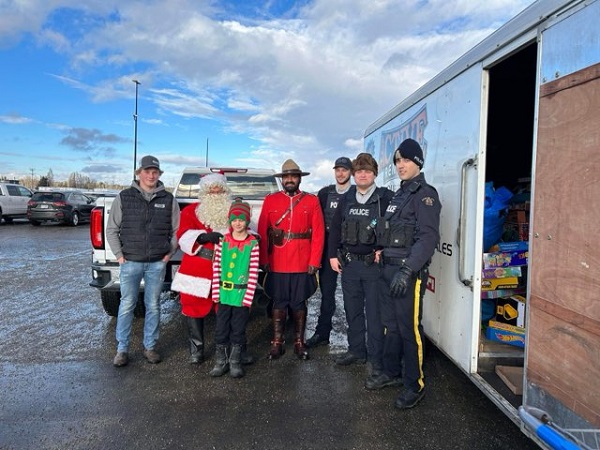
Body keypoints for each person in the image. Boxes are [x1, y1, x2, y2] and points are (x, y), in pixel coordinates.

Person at [376, 138, 441, 409]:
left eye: (406, 160)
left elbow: (427, 238)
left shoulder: (425, 195)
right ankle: (392, 373)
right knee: (389, 325)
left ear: (418, 162)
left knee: (409, 329)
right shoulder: (399, 195)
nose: (400, 165)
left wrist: (408, 270)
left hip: (407, 273)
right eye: (397, 161)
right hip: (388, 269)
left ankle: (415, 384)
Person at [107, 155, 180, 367]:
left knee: (153, 306)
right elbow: (111, 229)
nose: (151, 175)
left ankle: (150, 347)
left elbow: (176, 231)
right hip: (130, 262)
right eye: (147, 171)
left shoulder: (168, 199)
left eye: (155, 172)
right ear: (139, 173)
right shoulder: (124, 197)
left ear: (159, 174)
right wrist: (119, 255)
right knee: (127, 304)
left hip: (157, 263)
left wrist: (169, 254)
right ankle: (122, 350)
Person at [328, 153, 394, 378]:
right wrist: (332, 255)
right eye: (359, 171)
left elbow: (396, 229)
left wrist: (385, 250)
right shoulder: (347, 199)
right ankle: (357, 350)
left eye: (367, 170)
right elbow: (336, 228)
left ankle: (376, 358)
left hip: (374, 268)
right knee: (352, 310)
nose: (362, 174)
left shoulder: (385, 198)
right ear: (354, 174)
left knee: (375, 315)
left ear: (374, 173)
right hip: (349, 265)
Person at [258, 159, 325, 360]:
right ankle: (277, 342)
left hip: (301, 260)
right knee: (278, 301)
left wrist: (315, 260)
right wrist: (264, 258)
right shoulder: (271, 200)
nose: (289, 180)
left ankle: (299, 342)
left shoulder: (311, 201)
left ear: (299, 179)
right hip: (277, 260)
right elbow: (263, 230)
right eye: (286, 177)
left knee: (298, 302)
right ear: (282, 179)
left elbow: (319, 232)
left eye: (293, 176)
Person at [170, 172, 233, 365]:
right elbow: (182, 236)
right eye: (211, 188)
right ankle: (196, 349)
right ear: (204, 191)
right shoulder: (190, 211)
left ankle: (225, 349)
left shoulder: (234, 211)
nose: (215, 191)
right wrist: (203, 237)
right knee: (192, 305)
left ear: (224, 190)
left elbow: (248, 230)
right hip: (197, 264)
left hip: (226, 266)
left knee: (226, 307)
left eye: (219, 188)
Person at [209, 198, 260, 378]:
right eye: (234, 219)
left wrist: (248, 297)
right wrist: (216, 292)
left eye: (241, 219)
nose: (238, 223)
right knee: (221, 328)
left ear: (247, 221)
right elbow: (216, 268)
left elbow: (253, 272)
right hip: (224, 293)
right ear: (230, 221)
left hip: (240, 294)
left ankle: (235, 361)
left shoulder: (253, 244)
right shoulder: (222, 241)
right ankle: (220, 361)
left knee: (238, 329)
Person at [306, 156, 352, 348]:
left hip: (351, 250)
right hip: (328, 250)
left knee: (353, 296)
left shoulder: (358, 193)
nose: (340, 173)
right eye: (338, 170)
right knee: (327, 293)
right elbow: (316, 222)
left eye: (344, 170)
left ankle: (355, 339)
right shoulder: (325, 193)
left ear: (351, 172)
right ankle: (322, 332)